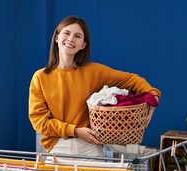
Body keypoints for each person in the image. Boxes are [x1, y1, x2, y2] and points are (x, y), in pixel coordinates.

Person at [28, 16, 161, 158]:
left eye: (78, 36)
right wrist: (76, 131)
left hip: (91, 146)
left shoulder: (95, 72)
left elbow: (132, 79)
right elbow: (39, 122)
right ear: (56, 38)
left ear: (83, 45)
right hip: (58, 145)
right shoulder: (40, 77)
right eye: (66, 33)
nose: (71, 39)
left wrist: (153, 96)